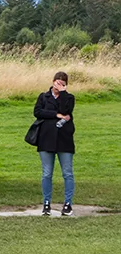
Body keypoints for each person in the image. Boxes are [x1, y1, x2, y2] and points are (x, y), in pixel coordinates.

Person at [33, 71, 75, 215]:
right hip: (46, 139)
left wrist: (62, 94)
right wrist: (56, 115)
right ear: (52, 82)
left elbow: (66, 111)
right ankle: (46, 204)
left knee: (67, 173)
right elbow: (38, 112)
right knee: (47, 173)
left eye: (62, 84)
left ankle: (67, 204)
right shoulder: (43, 97)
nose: (59, 86)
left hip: (64, 140)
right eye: (57, 83)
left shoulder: (69, 98)